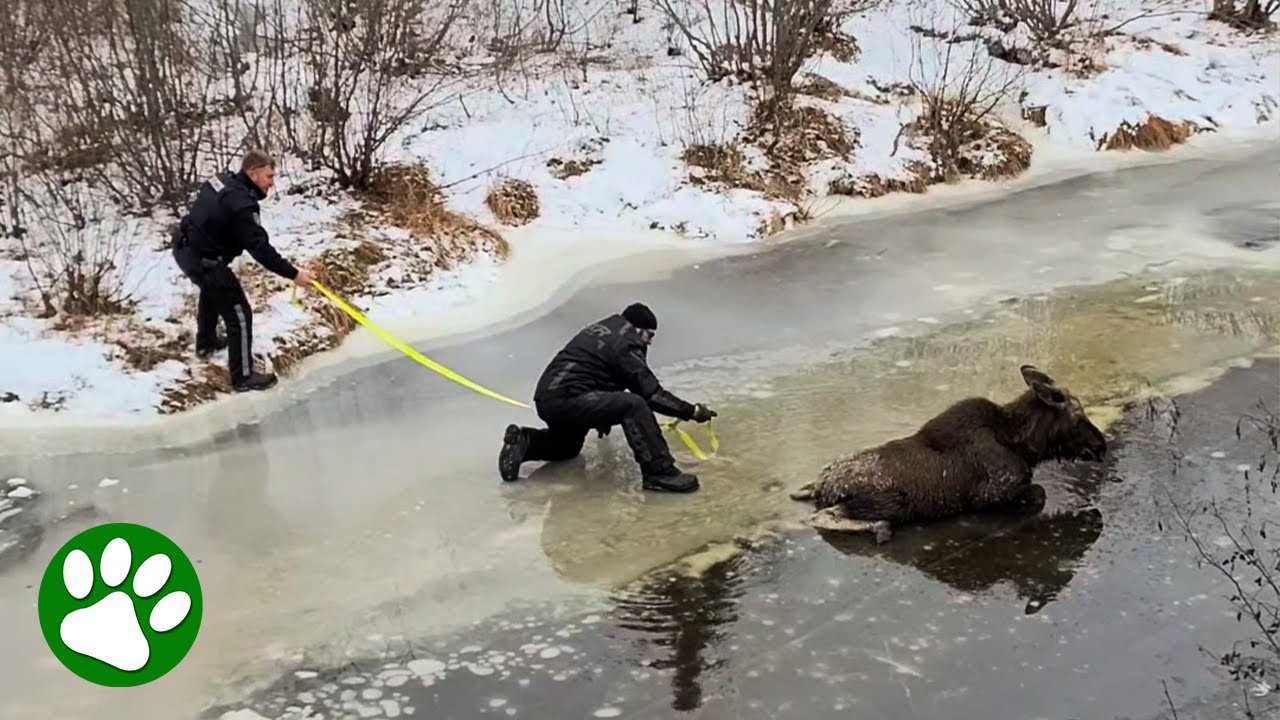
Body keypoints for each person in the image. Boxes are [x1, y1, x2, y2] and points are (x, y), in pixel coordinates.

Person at [498, 302, 717, 493]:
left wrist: (603, 405)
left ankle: (525, 442)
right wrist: (693, 411)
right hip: (573, 397)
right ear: (638, 329)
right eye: (649, 335)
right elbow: (651, 394)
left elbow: (596, 373)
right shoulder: (626, 342)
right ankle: (660, 473)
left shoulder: (603, 330)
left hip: (548, 399)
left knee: (568, 447)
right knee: (634, 405)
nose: (649, 343)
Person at [171, 150, 315, 392]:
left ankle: (206, 344)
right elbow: (259, 248)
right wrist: (294, 274)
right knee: (239, 314)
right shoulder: (242, 206)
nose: (272, 183)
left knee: (213, 291)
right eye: (269, 176)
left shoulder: (223, 181)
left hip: (186, 249)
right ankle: (243, 377)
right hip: (204, 259)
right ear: (253, 172)